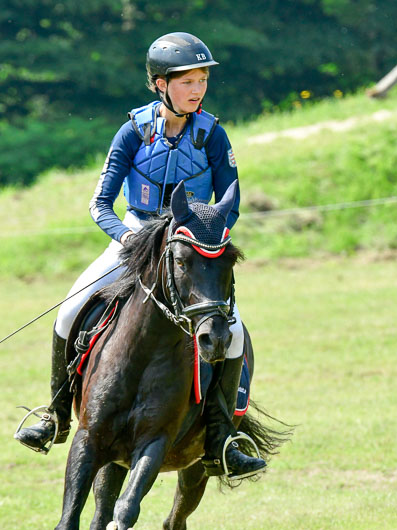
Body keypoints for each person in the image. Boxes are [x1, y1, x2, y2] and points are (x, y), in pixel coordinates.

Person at [15, 32, 266, 480]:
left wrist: (209, 237)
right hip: (134, 232)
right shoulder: (133, 131)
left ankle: (224, 438)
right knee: (70, 309)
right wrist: (130, 241)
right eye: (187, 80)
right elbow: (99, 204)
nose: (197, 89)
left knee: (235, 333)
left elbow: (234, 200)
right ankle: (55, 416)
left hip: (191, 240)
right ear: (158, 84)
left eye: (202, 79)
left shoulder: (213, 134)